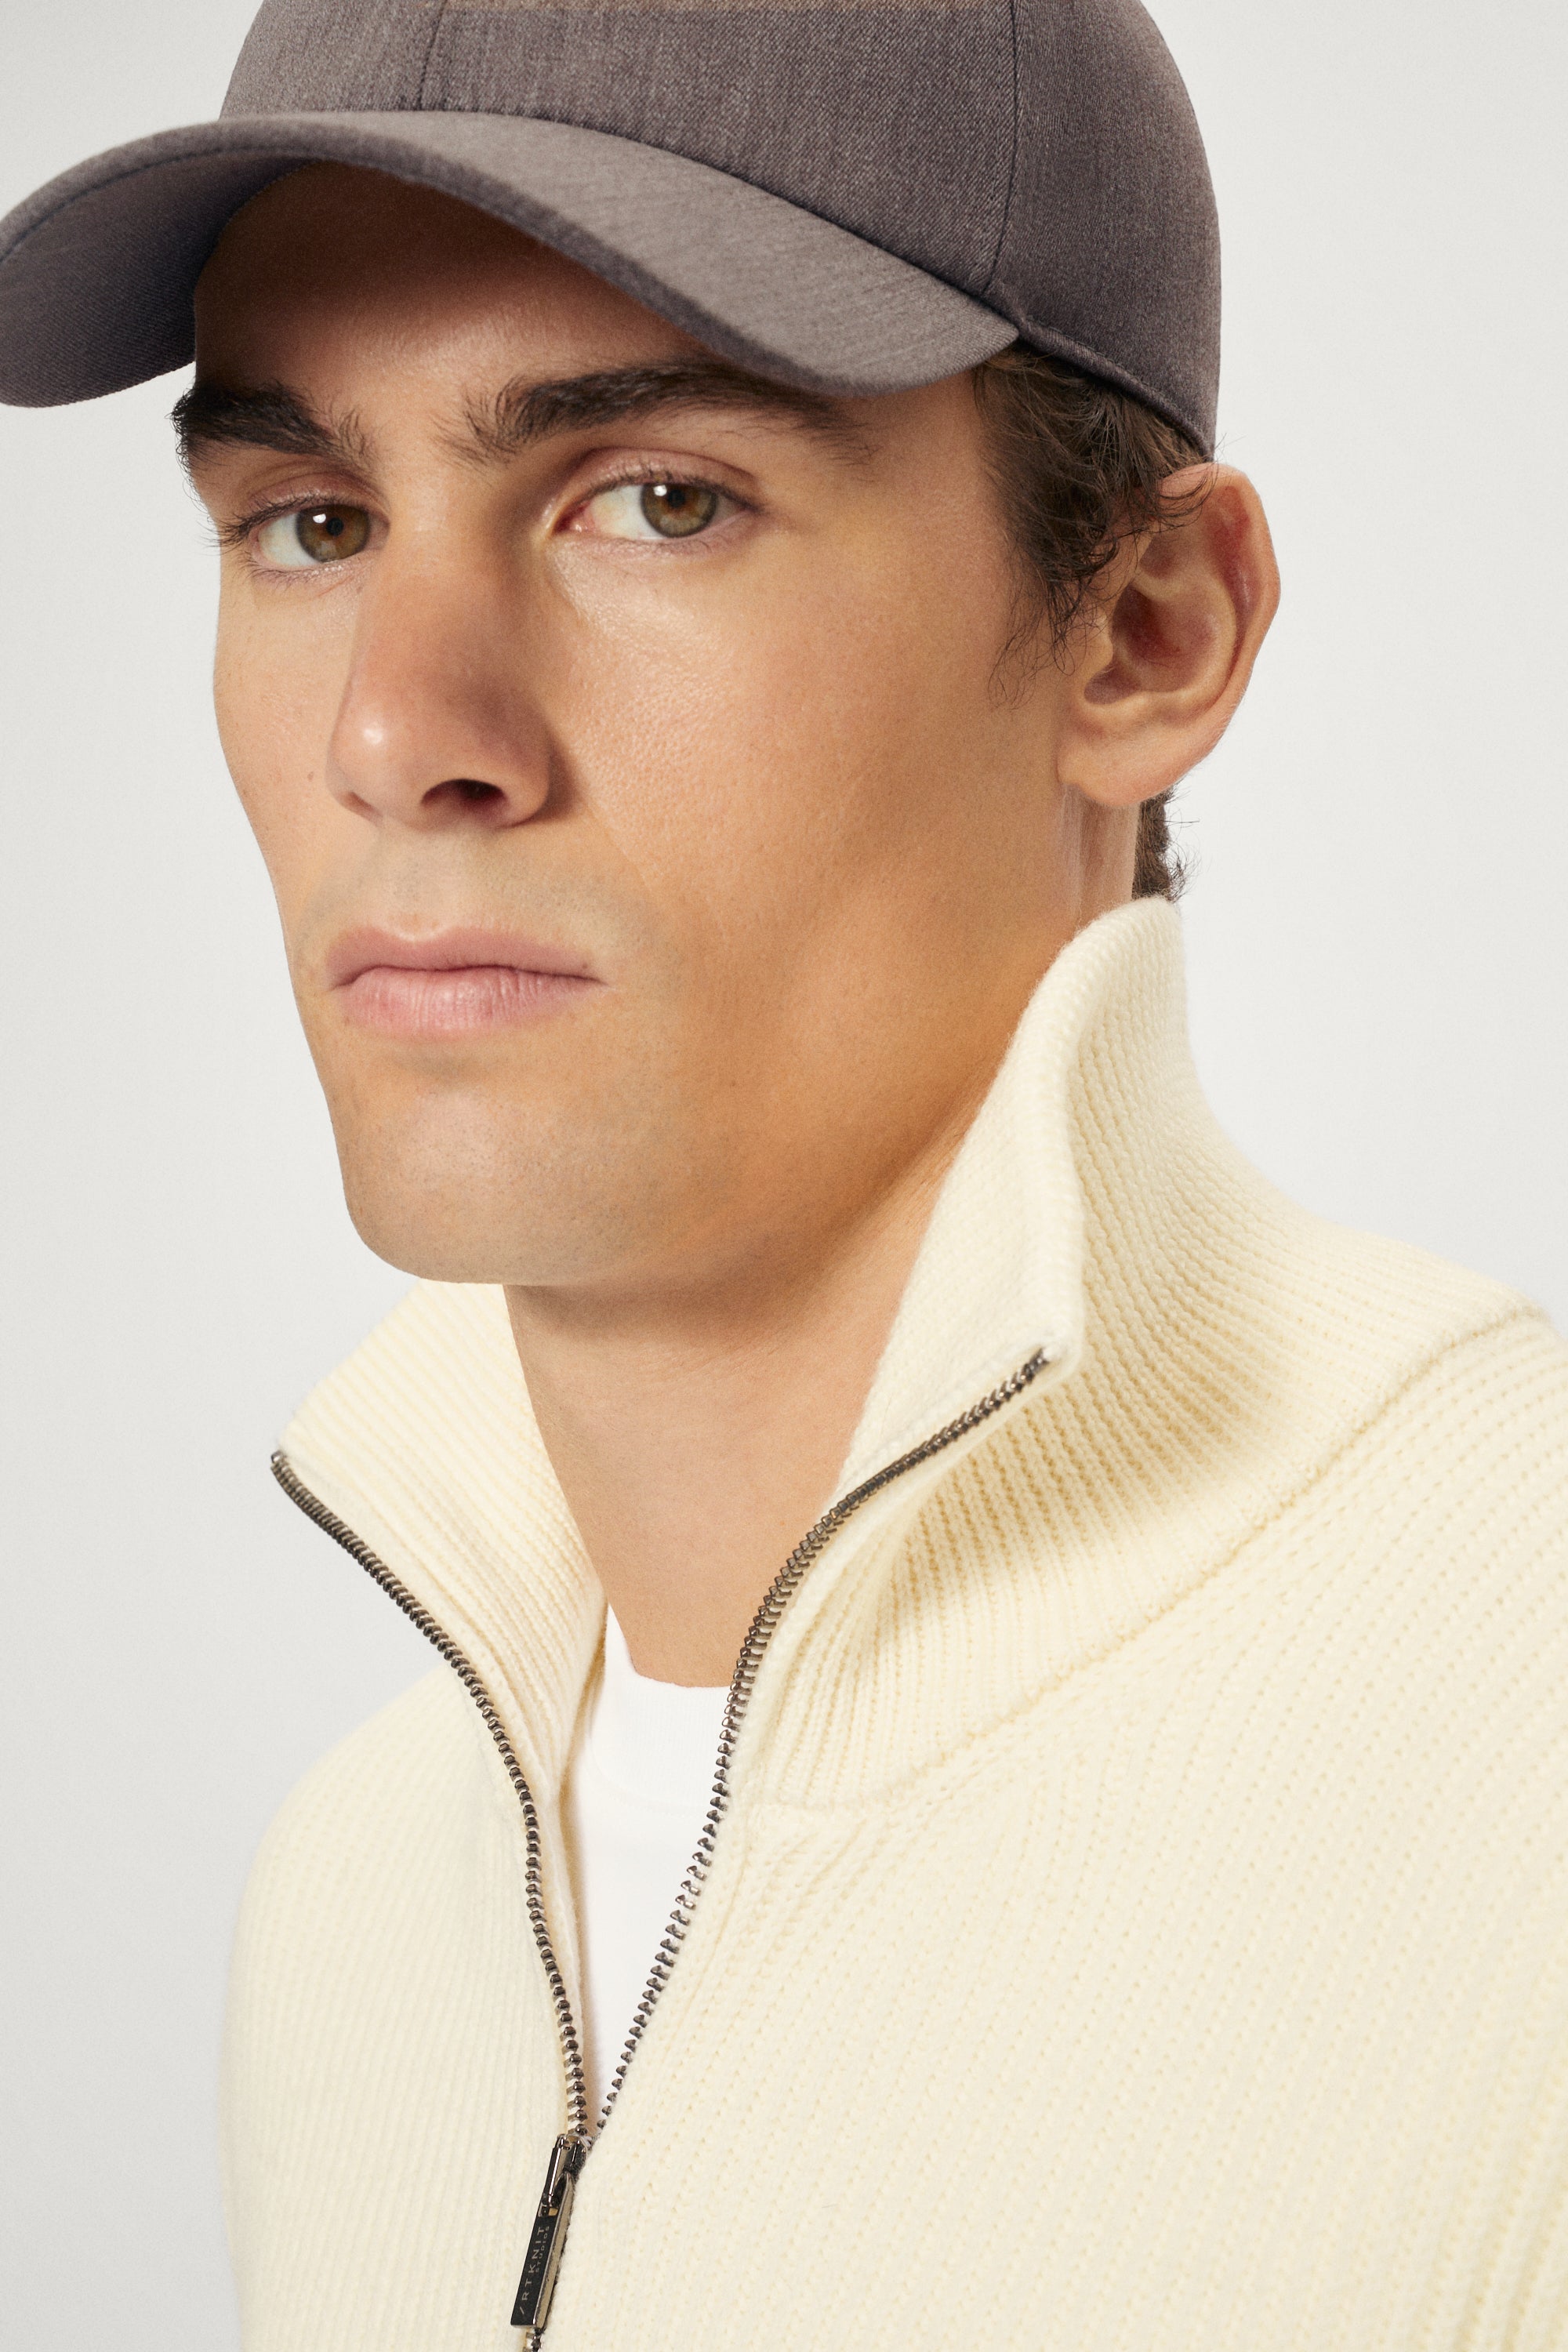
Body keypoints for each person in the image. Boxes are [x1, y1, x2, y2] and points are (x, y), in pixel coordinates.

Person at [3, 1, 1566, 2346]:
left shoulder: (1526, 1747)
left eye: (659, 499)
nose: (400, 730)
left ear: (1148, 634)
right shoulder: (355, 1916)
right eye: (313, 524)